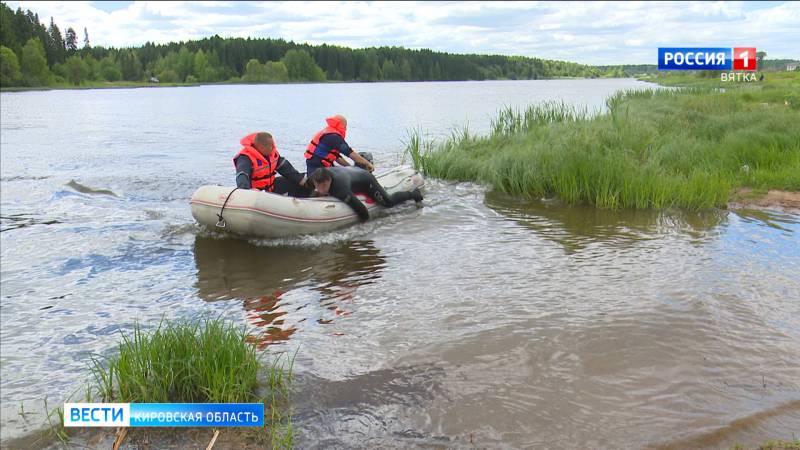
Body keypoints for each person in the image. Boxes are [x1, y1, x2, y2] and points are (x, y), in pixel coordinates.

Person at [308, 167, 422, 222]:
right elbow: (313, 187)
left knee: (388, 202)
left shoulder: (340, 189)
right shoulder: (315, 178)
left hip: (366, 181)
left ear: (329, 181)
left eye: (323, 186)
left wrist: (364, 227)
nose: (319, 189)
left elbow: (361, 210)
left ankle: (413, 194)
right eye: (316, 186)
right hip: (350, 171)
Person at [234, 132, 310, 197]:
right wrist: (247, 192)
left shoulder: (272, 153)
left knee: (298, 181)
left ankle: (300, 202)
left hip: (271, 187)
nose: (273, 148)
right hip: (256, 192)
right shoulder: (245, 158)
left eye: (273, 145)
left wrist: (300, 179)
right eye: (270, 146)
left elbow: (285, 168)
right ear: (261, 147)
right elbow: (242, 176)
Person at [304, 115, 375, 174]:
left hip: (318, 165)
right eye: (345, 126)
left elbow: (337, 157)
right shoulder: (334, 137)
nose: (346, 129)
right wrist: (368, 164)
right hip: (318, 168)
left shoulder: (328, 132)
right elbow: (350, 153)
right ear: (340, 125)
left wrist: (350, 168)